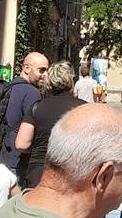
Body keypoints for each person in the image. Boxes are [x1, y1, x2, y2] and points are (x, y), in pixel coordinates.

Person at [16, 60, 86, 188]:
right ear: (71, 81)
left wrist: (38, 148)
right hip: (72, 172)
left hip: (39, 172)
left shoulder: (36, 107)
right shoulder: (84, 108)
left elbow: (21, 144)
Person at [0, 51, 48, 179]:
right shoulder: (32, 93)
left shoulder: (8, 87)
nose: (45, 75)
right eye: (41, 70)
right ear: (27, 68)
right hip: (18, 161)